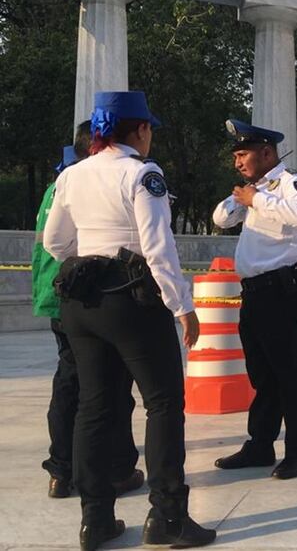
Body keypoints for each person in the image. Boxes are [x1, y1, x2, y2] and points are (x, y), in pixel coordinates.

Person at [43, 91, 216, 551]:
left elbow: (54, 242)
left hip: (81, 301)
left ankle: (95, 518)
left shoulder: (72, 174)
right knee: (162, 403)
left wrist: (91, 262)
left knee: (94, 407)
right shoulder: (142, 173)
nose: (151, 136)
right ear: (138, 130)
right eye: (150, 128)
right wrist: (183, 305)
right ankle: (168, 517)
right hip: (131, 298)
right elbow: (158, 247)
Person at [33, 122, 143, 500]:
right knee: (107, 392)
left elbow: (51, 245)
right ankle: (115, 469)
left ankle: (62, 470)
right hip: (89, 297)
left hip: (60, 298)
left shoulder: (57, 186)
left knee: (69, 386)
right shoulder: (89, 185)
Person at [212, 119, 297, 480]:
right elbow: (221, 218)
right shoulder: (253, 189)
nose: (238, 162)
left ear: (267, 153)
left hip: (281, 291)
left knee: (290, 373)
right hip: (254, 293)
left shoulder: (291, 185)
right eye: (236, 155)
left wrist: (257, 198)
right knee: (262, 375)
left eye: (243, 154)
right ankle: (260, 445)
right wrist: (246, 197)